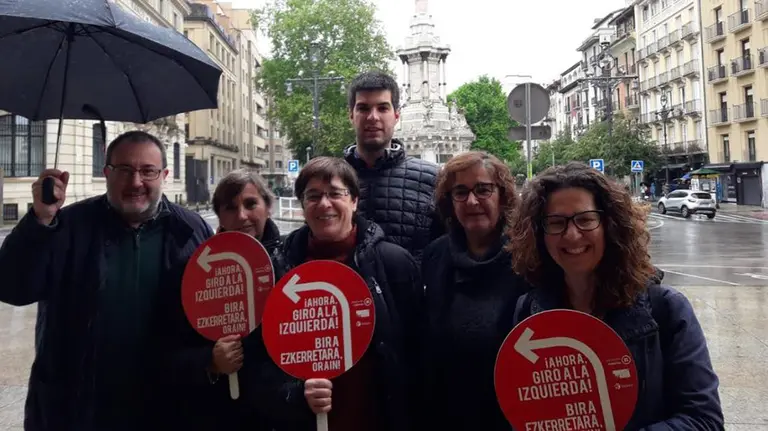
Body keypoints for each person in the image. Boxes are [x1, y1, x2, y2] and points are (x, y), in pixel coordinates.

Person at [0, 130, 214, 431]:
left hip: (164, 407)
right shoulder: (66, 226)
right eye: (124, 170)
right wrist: (39, 221)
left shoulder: (192, 231)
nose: (136, 182)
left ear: (164, 174)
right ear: (106, 173)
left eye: (147, 171)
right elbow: (13, 287)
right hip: (76, 409)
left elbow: (211, 314)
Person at [507, 162, 724, 430]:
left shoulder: (665, 310)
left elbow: (704, 421)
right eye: (556, 222)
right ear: (539, 234)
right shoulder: (529, 311)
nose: (572, 234)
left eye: (585, 219)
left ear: (609, 226)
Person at [257, 156, 422, 431]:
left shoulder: (395, 264)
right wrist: (296, 393)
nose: (324, 204)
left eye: (335, 193)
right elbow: (260, 363)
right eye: (313, 196)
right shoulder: (277, 268)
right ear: (302, 205)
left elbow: (417, 354)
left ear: (354, 201)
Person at [160, 169, 282, 430]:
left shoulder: (291, 265)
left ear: (268, 207)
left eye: (251, 204)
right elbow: (165, 353)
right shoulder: (188, 273)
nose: (242, 216)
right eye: (230, 207)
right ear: (219, 215)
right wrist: (210, 361)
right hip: (218, 415)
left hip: (279, 413)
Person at [419, 151, 531, 429]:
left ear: (502, 196)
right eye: (460, 192)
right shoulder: (435, 255)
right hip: (447, 412)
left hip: (510, 415)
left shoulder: (529, 257)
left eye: (483, 190)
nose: (472, 201)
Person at [342, 70, 442, 261]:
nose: (373, 117)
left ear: (396, 115)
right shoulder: (331, 178)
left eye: (382, 108)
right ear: (351, 116)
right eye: (363, 108)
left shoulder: (433, 179)